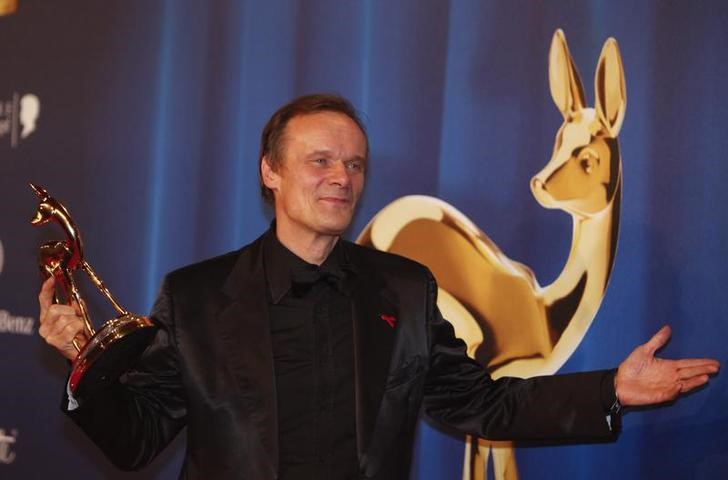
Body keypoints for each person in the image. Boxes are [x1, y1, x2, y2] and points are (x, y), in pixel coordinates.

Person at [38, 93, 719, 480]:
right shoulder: (195, 297)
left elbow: (483, 405)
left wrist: (610, 391)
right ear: (270, 173)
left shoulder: (404, 290)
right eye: (321, 161)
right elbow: (135, 441)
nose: (342, 177)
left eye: (356, 164)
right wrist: (89, 366)